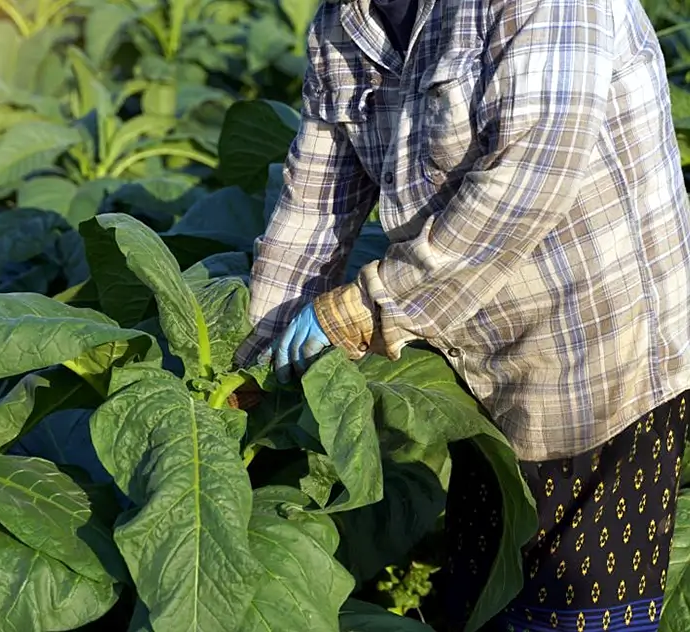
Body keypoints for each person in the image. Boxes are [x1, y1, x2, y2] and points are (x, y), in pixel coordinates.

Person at [233, 0, 690, 629]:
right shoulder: (344, 23)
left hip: (603, 345)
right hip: (471, 350)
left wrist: (368, 305)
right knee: (483, 595)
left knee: (575, 607)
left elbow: (532, 176)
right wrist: (250, 357)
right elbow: (314, 203)